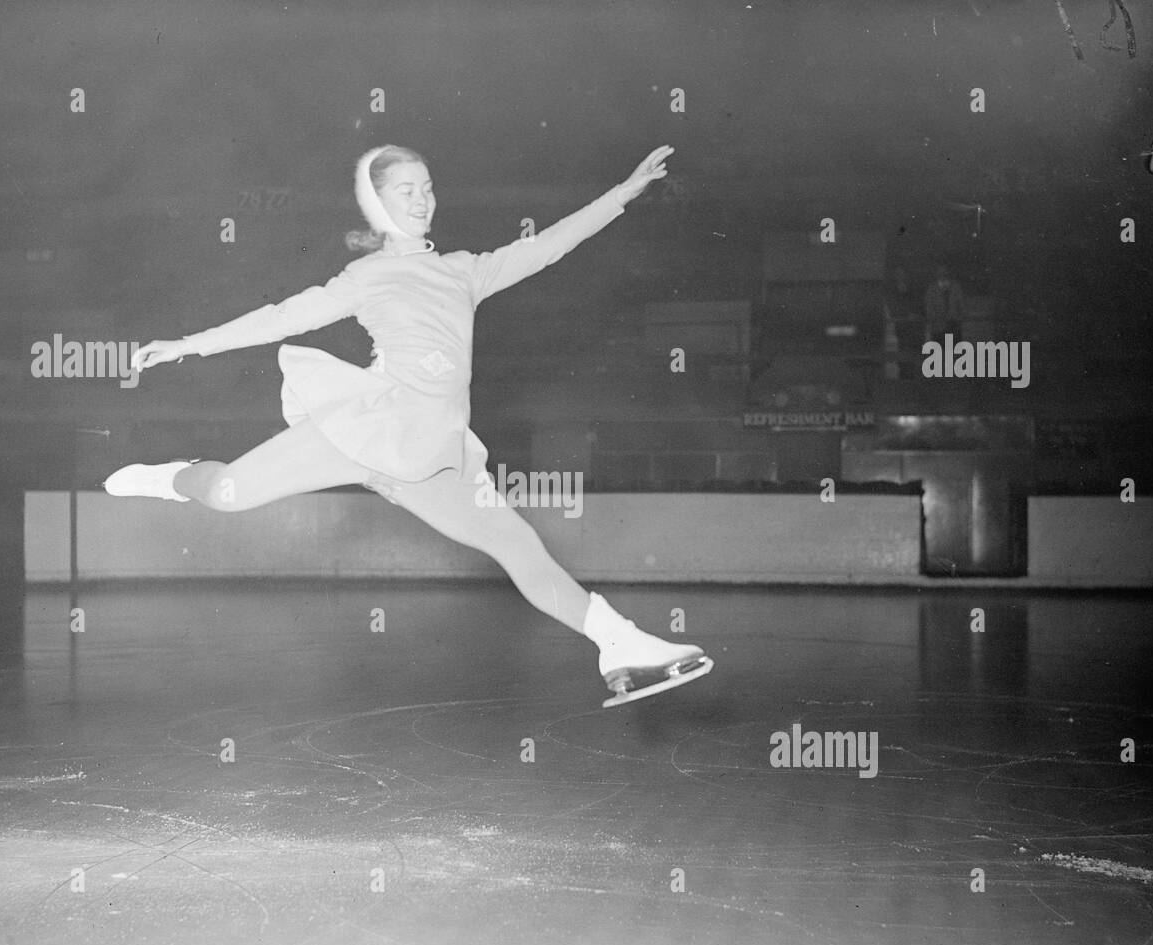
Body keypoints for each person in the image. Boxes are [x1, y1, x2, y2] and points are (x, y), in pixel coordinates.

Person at [105, 144, 713, 706]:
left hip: (432, 454)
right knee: (226, 495)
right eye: (405, 190)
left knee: (516, 543)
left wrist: (624, 192)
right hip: (370, 430)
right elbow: (280, 318)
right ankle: (175, 477)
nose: (422, 199)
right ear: (378, 204)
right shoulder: (367, 276)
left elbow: (549, 246)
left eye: (426, 187)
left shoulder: (464, 271)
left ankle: (620, 642)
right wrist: (187, 345)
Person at [923, 262, 965, 345]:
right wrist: (938, 319)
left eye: (944, 271)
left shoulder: (956, 287)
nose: (942, 274)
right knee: (939, 355)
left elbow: (962, 306)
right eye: (940, 271)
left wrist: (957, 318)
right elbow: (928, 308)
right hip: (938, 329)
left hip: (954, 327)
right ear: (936, 273)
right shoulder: (931, 289)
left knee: (955, 354)